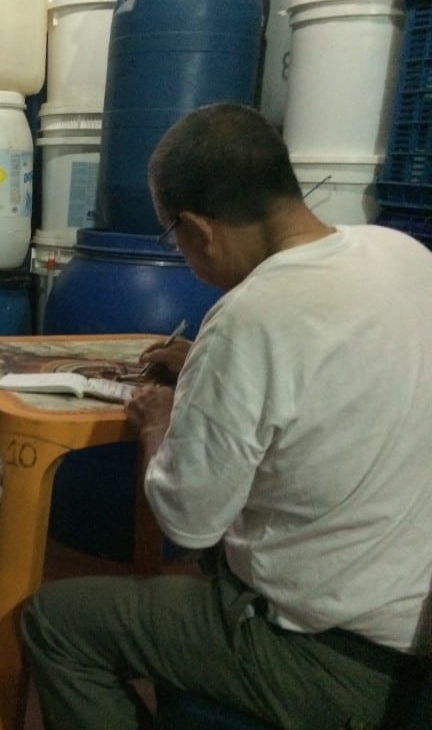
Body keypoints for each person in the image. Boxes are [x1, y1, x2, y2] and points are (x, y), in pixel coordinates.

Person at [21, 103, 432, 729]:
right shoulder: (404, 255)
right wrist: (205, 371)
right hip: (408, 631)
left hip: (325, 657)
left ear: (196, 229)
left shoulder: (251, 315)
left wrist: (160, 424)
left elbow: (189, 522)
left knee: (55, 623)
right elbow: (337, 376)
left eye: (174, 240)